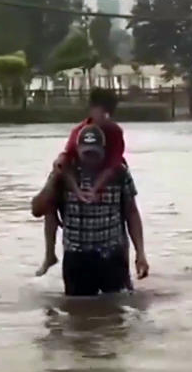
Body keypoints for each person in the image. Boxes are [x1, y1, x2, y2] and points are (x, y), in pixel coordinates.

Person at [32, 124, 149, 297]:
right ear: (78, 150)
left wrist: (140, 253)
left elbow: (131, 212)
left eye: (95, 154)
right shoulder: (64, 171)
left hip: (112, 255)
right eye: (86, 153)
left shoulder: (118, 172)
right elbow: (37, 209)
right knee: (77, 317)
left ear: (103, 151)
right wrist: (54, 178)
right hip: (76, 257)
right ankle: (49, 256)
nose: (90, 159)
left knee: (118, 313)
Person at [37, 88, 127, 276]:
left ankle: (123, 260)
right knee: (57, 174)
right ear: (92, 109)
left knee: (122, 202)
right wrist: (77, 190)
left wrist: (95, 188)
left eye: (107, 114)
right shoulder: (79, 131)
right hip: (75, 176)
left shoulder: (115, 132)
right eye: (100, 112)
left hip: (108, 170)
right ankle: (49, 254)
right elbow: (67, 160)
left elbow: (113, 165)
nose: (103, 117)